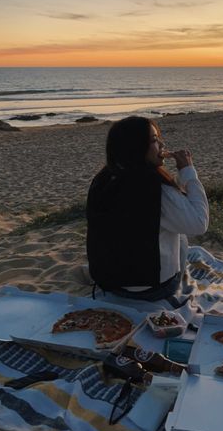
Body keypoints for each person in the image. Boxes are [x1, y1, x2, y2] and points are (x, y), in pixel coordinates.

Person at [86, 115, 209, 302]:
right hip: (152, 289)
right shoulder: (154, 188)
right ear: (136, 147)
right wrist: (188, 172)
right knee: (182, 236)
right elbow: (199, 223)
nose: (161, 144)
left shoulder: (103, 180)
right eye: (154, 140)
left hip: (110, 282)